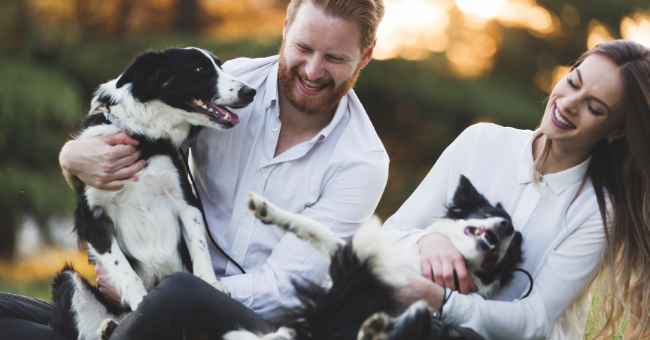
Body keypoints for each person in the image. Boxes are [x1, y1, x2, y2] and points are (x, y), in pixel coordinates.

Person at [0, 0, 389, 339]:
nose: (313, 70)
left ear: (366, 56)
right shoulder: (229, 83)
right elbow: (132, 116)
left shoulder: (362, 162)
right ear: (285, 30)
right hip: (150, 288)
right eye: (303, 47)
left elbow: (284, 288)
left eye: (335, 58)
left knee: (182, 294)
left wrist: (161, 294)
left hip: (252, 323)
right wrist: (72, 156)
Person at [385, 39, 650, 340]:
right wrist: (427, 239)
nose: (568, 104)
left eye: (594, 107)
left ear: (616, 131)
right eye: (574, 82)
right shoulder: (480, 142)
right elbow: (391, 235)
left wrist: (443, 302)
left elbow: (533, 320)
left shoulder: (599, 211)